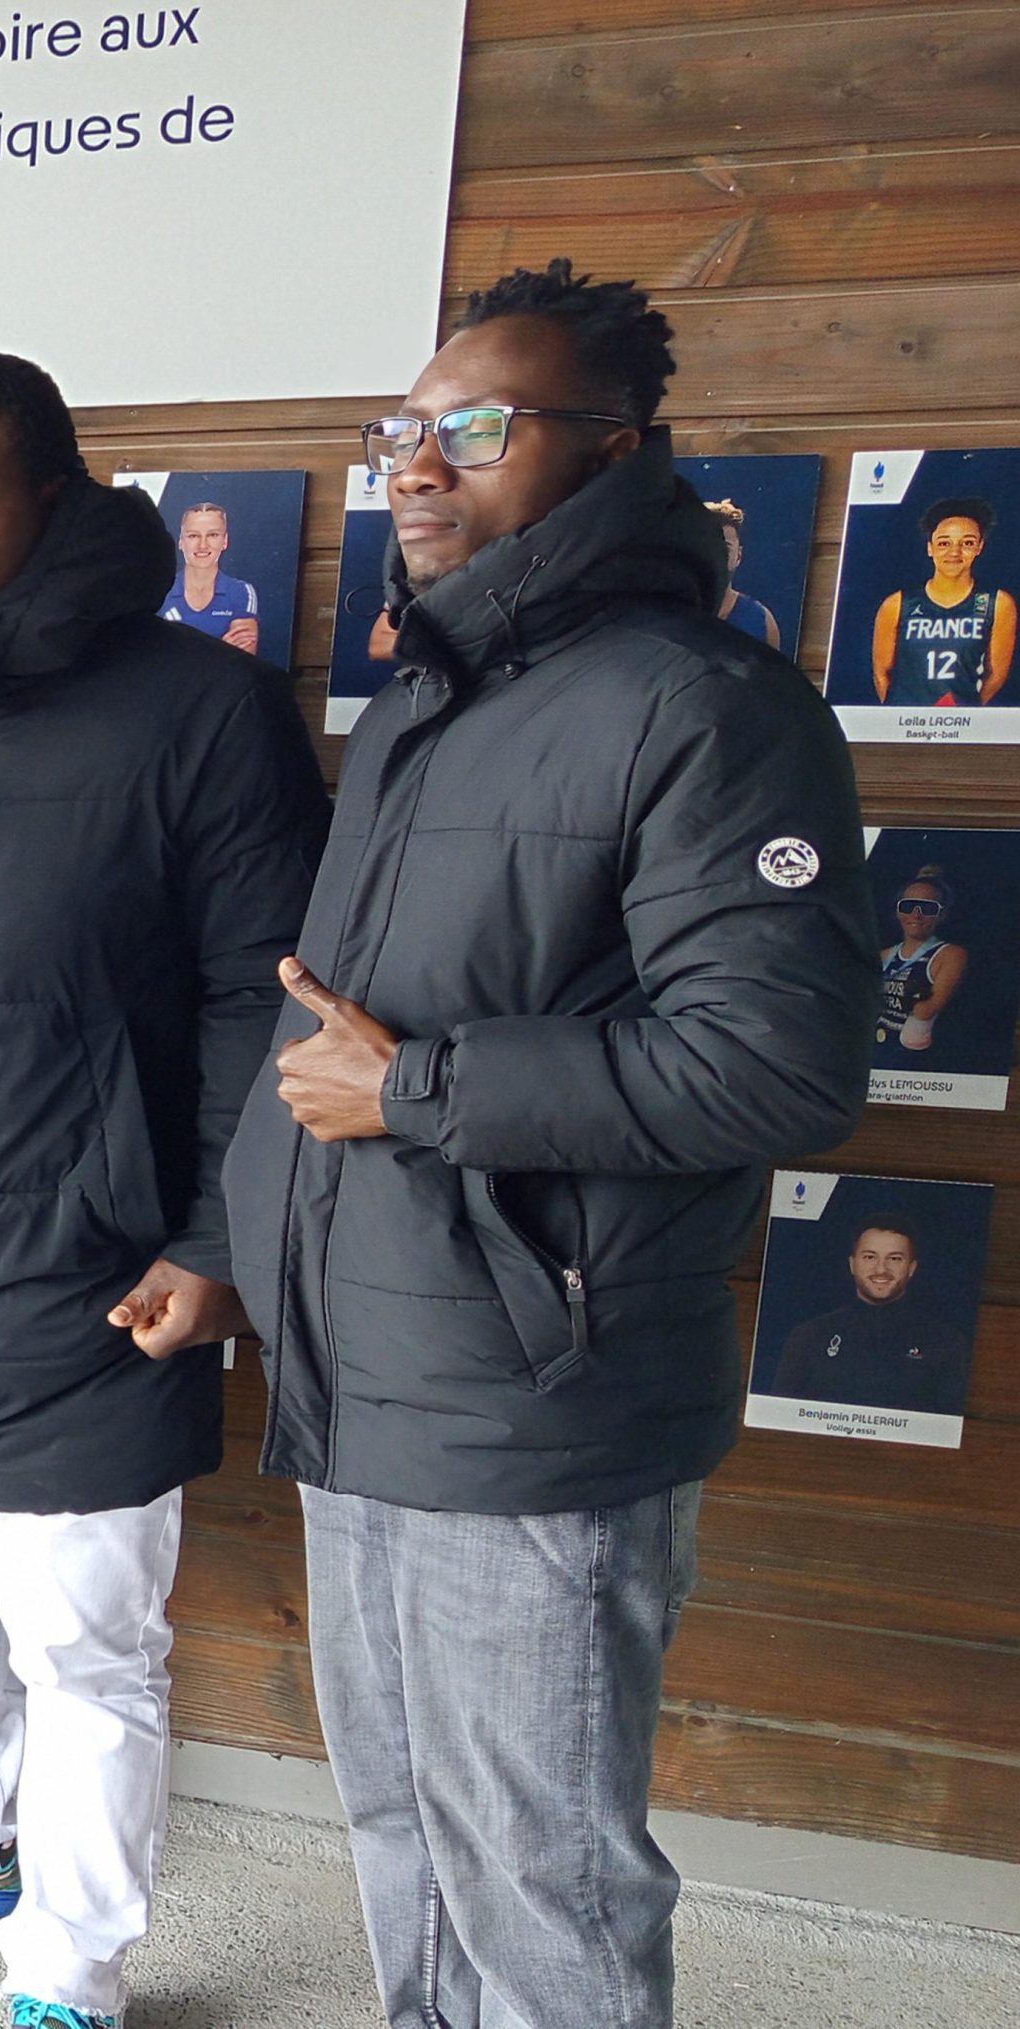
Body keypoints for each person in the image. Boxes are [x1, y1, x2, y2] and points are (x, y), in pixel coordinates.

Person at [223, 259, 874, 2029]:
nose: (420, 464)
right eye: (403, 430)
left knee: (540, 1882)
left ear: (615, 450)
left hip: (535, 1401)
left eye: (480, 427)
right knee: (406, 1837)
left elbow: (778, 1067)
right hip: (369, 1367)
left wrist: (417, 1091)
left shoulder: (706, 707)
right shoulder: (429, 695)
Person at [0, 355, 326, 2029]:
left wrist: (218, 1240)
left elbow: (264, 997)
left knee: (84, 1636)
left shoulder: (202, 709)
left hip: (101, 1269)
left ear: (52, 504)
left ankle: (71, 1967)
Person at [770, 1220, 974, 1415]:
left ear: (912, 1267)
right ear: (852, 1264)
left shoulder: (946, 1342)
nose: (881, 1269)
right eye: (869, 1257)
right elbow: (780, 1416)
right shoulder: (808, 1337)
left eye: (894, 1258)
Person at [872, 495, 1017, 706]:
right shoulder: (897, 604)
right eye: (944, 543)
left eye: (967, 543)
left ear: (979, 547)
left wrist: (964, 710)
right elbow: (881, 672)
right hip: (905, 718)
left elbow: (996, 675)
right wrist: (902, 713)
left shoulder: (997, 603)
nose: (954, 552)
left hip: (962, 719)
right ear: (930, 548)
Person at [875, 866, 968, 1060]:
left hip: (915, 1059)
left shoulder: (950, 954)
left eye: (927, 908)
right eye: (908, 906)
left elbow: (926, 1011)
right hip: (878, 1049)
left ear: (941, 914)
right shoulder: (884, 956)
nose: (916, 915)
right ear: (898, 911)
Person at [159, 500, 263, 656]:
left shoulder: (241, 592)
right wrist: (221, 649)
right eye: (193, 535)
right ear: (181, 542)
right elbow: (152, 657)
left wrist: (181, 651)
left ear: (225, 541)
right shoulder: (161, 591)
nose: (203, 545)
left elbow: (243, 658)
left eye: (213, 535)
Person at [702, 498, 782, 649]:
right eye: (710, 544)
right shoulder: (672, 612)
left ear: (738, 556)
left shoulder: (761, 621)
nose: (717, 553)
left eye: (726, 547)